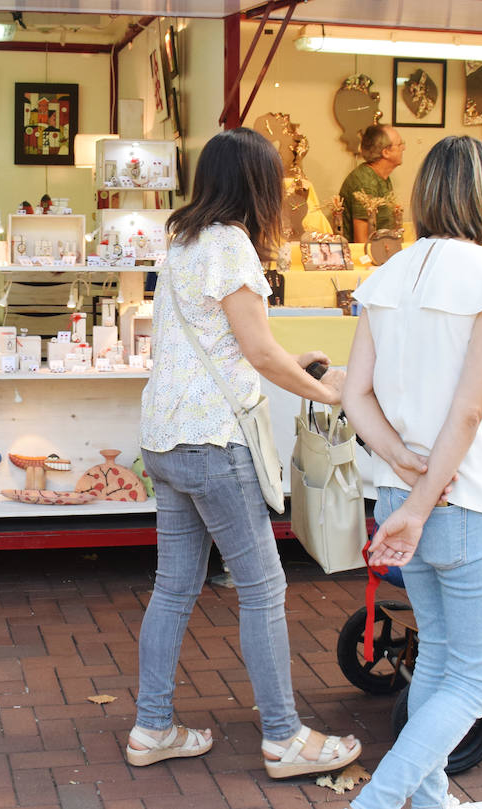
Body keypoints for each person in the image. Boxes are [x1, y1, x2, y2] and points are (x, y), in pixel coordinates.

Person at [130, 126, 361, 779]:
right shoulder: (232, 246)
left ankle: (152, 726)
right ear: (256, 185)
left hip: (166, 436)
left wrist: (297, 365)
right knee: (263, 587)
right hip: (213, 440)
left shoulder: (181, 243)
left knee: (173, 586)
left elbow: (238, 342)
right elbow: (257, 352)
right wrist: (325, 389)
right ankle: (284, 736)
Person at [341, 135, 482, 809]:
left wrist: (401, 464)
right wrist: (425, 494)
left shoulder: (387, 276)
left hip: (402, 497)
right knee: (473, 677)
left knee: (437, 656)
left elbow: (355, 395)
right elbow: (468, 414)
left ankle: (433, 801)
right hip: (460, 504)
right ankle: (378, 800)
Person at [338, 125, 405, 243]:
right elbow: (361, 240)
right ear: (386, 152)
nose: (403, 148)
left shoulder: (382, 176)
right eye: (399, 144)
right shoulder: (364, 182)